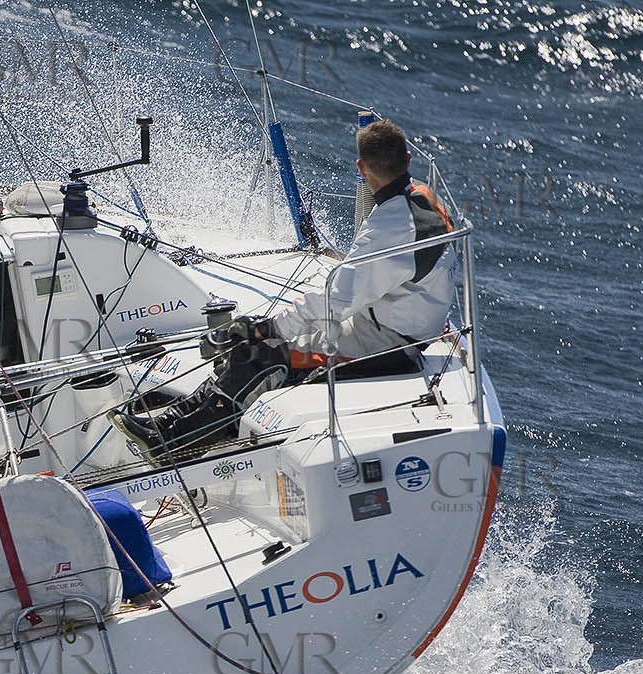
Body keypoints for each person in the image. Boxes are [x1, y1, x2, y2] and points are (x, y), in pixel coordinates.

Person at [111, 118, 457, 462]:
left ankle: (173, 441)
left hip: (388, 344)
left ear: (361, 169)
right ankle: (188, 415)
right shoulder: (425, 196)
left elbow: (336, 301)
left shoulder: (389, 228)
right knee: (259, 338)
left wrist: (270, 328)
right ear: (408, 159)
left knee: (263, 352)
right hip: (395, 324)